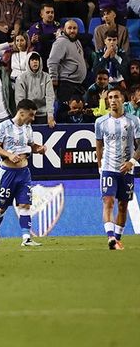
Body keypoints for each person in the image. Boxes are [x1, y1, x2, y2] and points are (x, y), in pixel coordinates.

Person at [0, 99, 47, 247]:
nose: (33, 118)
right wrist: (8, 154)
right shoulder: (4, 126)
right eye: (31, 115)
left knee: (25, 205)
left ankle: (26, 238)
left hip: (24, 173)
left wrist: (39, 149)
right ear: (21, 113)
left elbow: (30, 146)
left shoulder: (28, 128)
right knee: (1, 208)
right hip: (7, 173)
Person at [95, 88, 139, 250]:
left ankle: (117, 240)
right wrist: (100, 165)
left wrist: (132, 162)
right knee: (108, 201)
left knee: (123, 205)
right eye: (110, 98)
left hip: (127, 169)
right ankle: (111, 237)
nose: (112, 100)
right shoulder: (100, 122)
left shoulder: (133, 120)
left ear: (123, 100)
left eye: (116, 97)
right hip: (108, 168)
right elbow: (98, 145)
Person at [48, 19, 87, 103]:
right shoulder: (60, 42)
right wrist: (53, 78)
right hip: (66, 84)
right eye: (69, 28)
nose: (72, 30)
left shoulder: (77, 41)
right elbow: (52, 61)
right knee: (65, 111)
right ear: (64, 29)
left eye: (74, 28)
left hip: (77, 84)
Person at [15, 52, 56, 127]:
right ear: (28, 62)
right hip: (27, 114)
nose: (35, 62)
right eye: (32, 60)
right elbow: (20, 100)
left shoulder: (46, 77)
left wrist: (50, 115)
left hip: (43, 114)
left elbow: (50, 97)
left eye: (37, 60)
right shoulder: (21, 78)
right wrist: (23, 116)